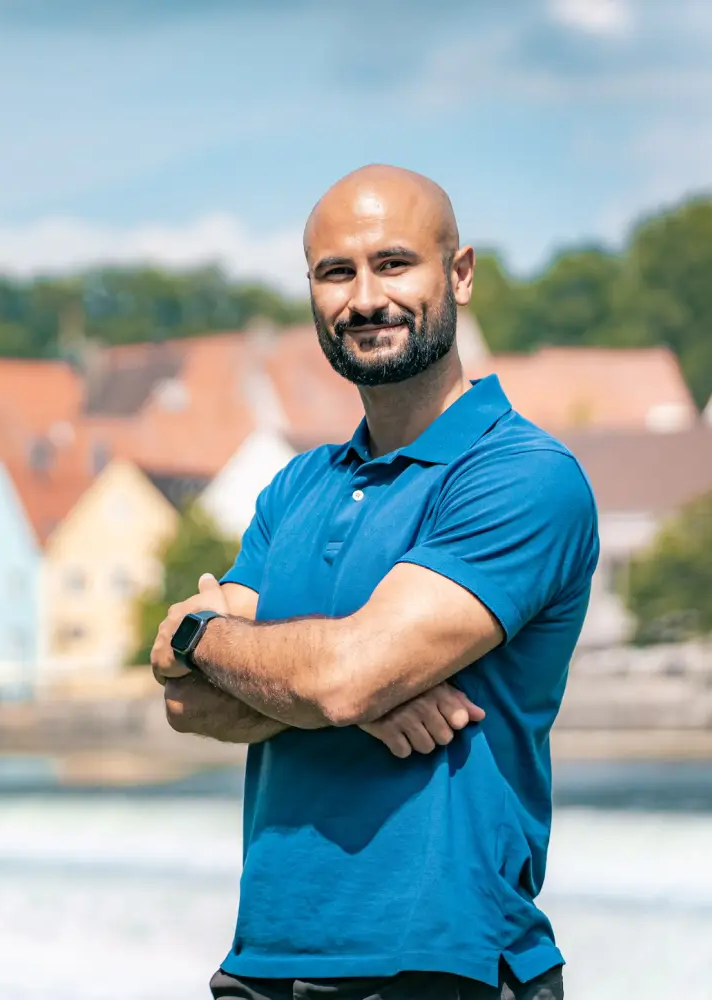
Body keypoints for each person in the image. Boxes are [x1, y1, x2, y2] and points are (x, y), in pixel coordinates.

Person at [149, 164, 598, 1000]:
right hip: (263, 964)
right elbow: (185, 697)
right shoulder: (296, 486)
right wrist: (237, 652)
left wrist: (231, 646)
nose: (364, 298)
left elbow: (342, 677)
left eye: (393, 264)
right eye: (335, 272)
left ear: (459, 273)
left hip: (442, 964)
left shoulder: (521, 475)